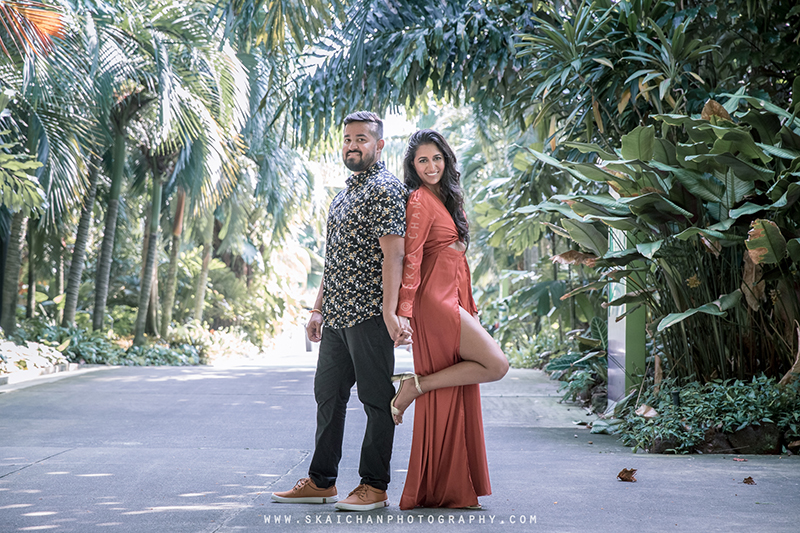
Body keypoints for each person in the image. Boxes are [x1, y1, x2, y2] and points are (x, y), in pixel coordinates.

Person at [271, 111, 410, 511]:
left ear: (379, 145)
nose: (353, 145)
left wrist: (389, 313)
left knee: (374, 399)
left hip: (368, 314)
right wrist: (317, 309)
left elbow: (394, 256)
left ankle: (374, 485)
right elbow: (333, 260)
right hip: (335, 316)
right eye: (348, 139)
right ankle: (321, 481)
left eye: (362, 139)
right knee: (328, 396)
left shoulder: (385, 189)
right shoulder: (344, 193)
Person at [390, 129, 509, 510]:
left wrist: (469, 305)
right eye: (422, 160)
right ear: (412, 165)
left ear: (447, 160)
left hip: (451, 298)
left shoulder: (446, 198)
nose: (431, 166)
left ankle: (452, 485)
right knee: (496, 364)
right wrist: (403, 313)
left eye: (436, 158)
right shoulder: (420, 200)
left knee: (461, 388)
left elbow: (455, 261)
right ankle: (414, 388)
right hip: (434, 304)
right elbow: (411, 259)